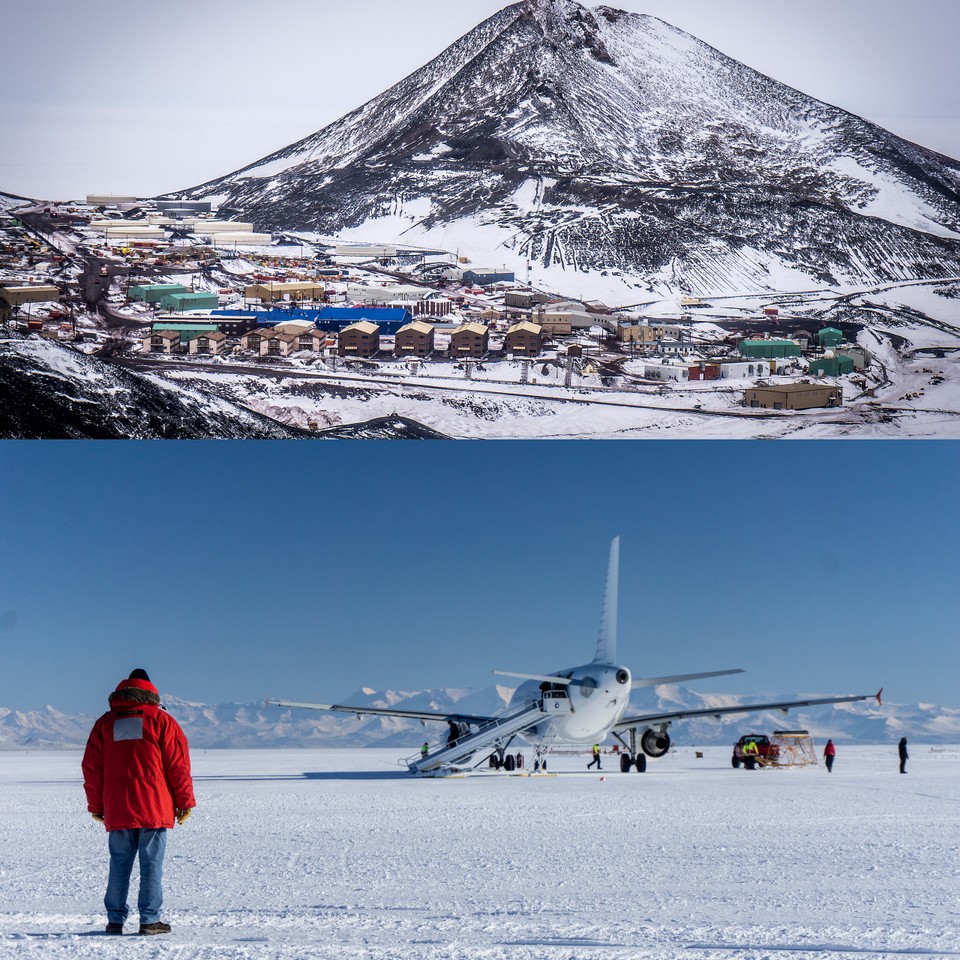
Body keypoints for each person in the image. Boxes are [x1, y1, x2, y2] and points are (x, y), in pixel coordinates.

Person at [82, 669, 195, 936]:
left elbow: (91, 768)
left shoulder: (104, 724)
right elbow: (178, 766)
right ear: (151, 692)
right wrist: (185, 802)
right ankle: (149, 920)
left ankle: (115, 921)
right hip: (154, 806)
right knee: (151, 863)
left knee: (119, 862)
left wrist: (97, 806)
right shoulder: (162, 721)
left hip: (118, 807)